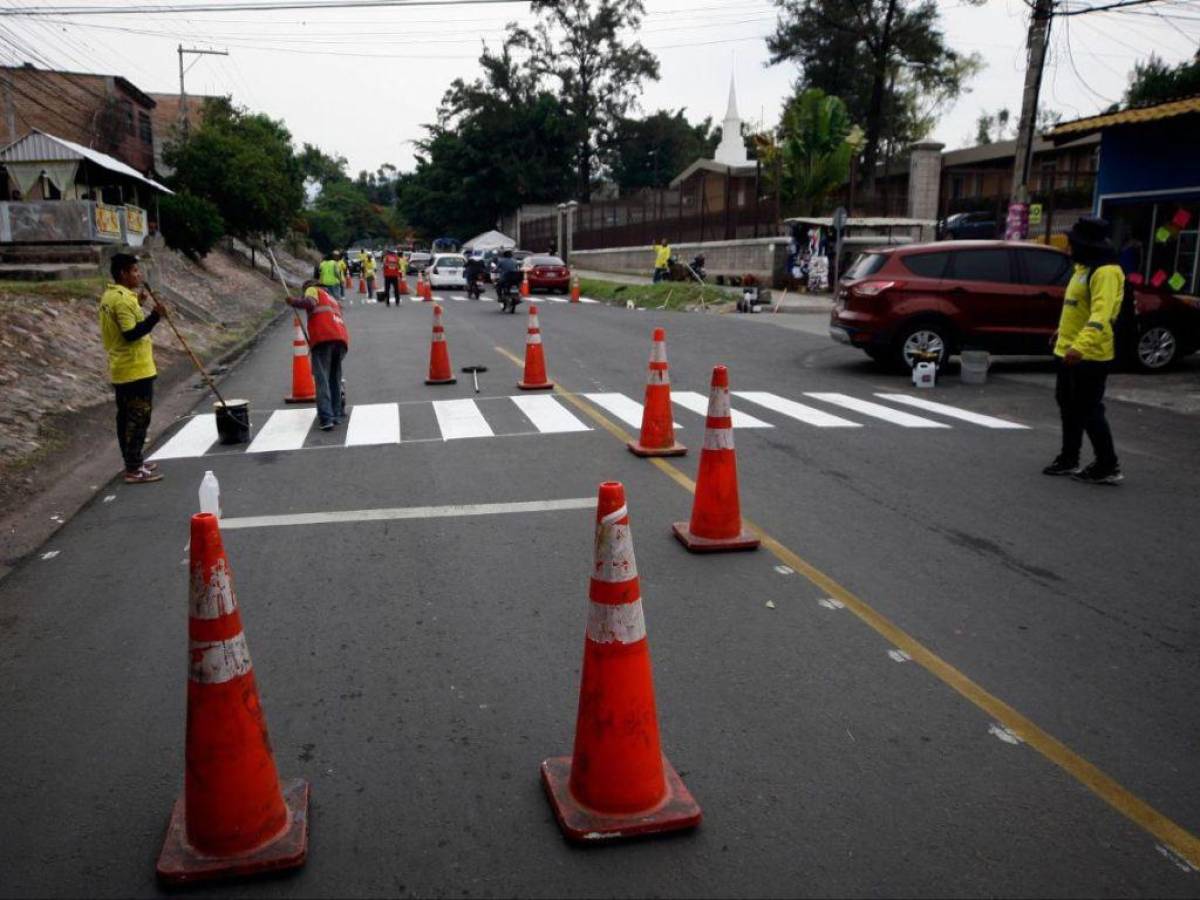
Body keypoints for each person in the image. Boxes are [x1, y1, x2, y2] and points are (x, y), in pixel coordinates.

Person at [1043, 216, 1125, 485]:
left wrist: (1079, 346)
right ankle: (1069, 458)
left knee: (1089, 410)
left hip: (1089, 355)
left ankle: (1107, 464)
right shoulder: (1082, 268)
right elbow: (1075, 307)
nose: (1069, 247)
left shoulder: (1106, 272)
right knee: (1067, 406)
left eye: (1073, 243)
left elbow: (1101, 315)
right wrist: (1061, 333)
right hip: (1067, 350)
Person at [98, 253, 165, 484]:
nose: (139, 275)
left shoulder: (111, 296)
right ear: (123, 274)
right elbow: (130, 333)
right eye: (134, 271)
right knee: (137, 418)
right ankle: (134, 468)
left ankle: (134, 460)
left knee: (127, 418)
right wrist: (155, 317)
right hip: (134, 369)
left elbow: (123, 320)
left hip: (122, 369)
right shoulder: (122, 300)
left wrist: (140, 304)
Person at [287, 279, 350, 431]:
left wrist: (293, 301)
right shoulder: (332, 298)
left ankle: (326, 418)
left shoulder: (312, 290)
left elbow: (309, 303)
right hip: (340, 340)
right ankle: (336, 414)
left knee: (322, 380)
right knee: (334, 379)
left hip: (323, 339)